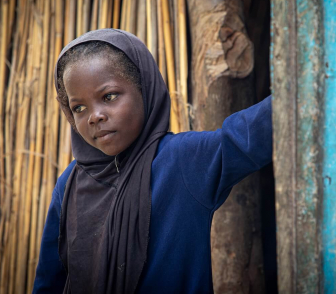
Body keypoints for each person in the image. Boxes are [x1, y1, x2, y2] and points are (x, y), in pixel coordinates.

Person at [32, 28, 272, 294]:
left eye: (109, 96)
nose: (95, 116)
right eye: (79, 108)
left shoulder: (183, 161)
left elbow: (255, 131)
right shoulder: (70, 184)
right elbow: (49, 281)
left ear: (144, 89)